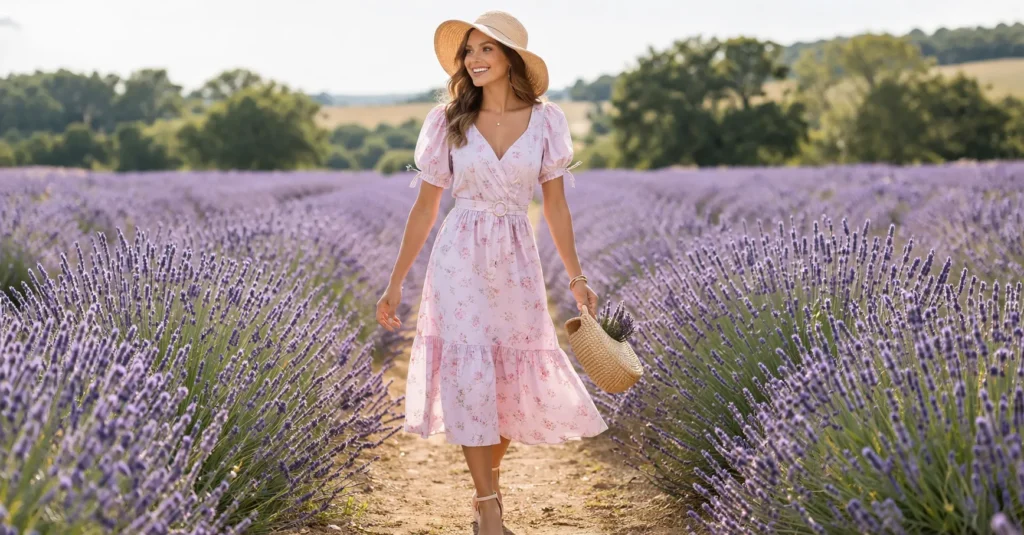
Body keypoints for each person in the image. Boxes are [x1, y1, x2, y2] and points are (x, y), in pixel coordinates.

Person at [375, 10, 609, 534]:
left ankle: (490, 487)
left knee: (504, 376)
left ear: (510, 60)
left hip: (516, 258)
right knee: (470, 373)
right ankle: (487, 507)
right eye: (469, 52)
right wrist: (396, 281)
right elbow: (425, 210)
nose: (475, 60)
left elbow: (555, 208)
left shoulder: (548, 121)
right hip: (459, 255)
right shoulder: (445, 122)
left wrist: (576, 277)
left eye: (486, 50)